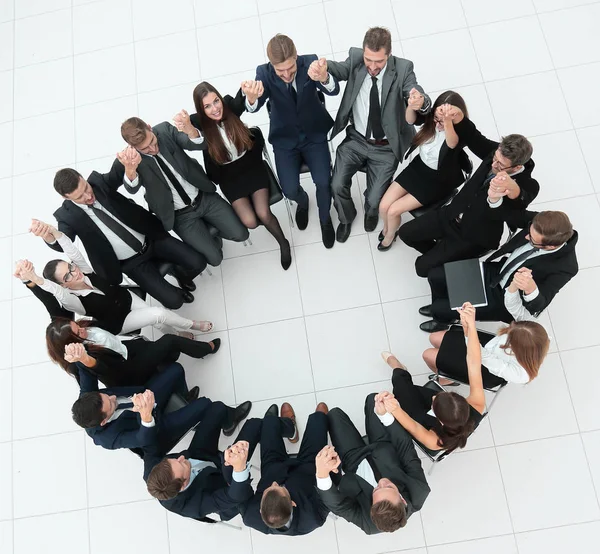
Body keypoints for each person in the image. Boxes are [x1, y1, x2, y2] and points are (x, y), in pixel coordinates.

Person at [309, 26, 431, 242]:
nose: (372, 67)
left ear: (389, 56)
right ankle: (347, 217)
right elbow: (336, 70)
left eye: (379, 62)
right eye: (369, 60)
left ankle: (371, 210)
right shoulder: (356, 57)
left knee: (375, 199)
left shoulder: (403, 69)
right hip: (356, 139)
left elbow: (415, 91)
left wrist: (420, 101)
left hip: (385, 146)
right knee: (336, 185)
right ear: (363, 52)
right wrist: (323, 74)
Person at [399, 110, 540, 280]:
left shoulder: (529, 184)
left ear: (516, 168)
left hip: (472, 235)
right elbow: (474, 136)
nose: (494, 164)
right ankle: (441, 253)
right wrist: (458, 117)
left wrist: (513, 188)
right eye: (494, 158)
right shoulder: (496, 153)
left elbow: (521, 200)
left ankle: (445, 257)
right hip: (451, 214)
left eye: (500, 165)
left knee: (421, 268)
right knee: (406, 233)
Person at [49, 163, 206, 309]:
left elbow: (117, 173)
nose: (88, 196)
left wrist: (127, 162)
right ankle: (174, 289)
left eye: (86, 188)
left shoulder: (98, 182)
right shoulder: (66, 216)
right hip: (132, 263)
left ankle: (180, 275)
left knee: (198, 262)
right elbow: (62, 241)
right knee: (174, 302)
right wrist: (49, 237)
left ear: (83, 178)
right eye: (79, 197)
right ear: (66, 197)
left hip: (151, 239)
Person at [19, 220, 212, 336]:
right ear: (63, 284)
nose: (74, 271)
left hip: (127, 299)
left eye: (70, 267)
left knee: (158, 320)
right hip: (119, 322)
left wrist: (54, 232)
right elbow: (57, 293)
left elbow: (73, 251)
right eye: (68, 275)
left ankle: (177, 334)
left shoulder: (84, 271)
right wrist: (35, 278)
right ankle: (192, 325)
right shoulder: (73, 301)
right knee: (158, 314)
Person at [180, 81, 291, 270]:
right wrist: (188, 129)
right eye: (207, 106)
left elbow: (245, 102)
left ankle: (283, 243)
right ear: (201, 109)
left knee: (264, 213)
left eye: (216, 101)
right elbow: (190, 136)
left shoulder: (229, 105)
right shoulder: (198, 122)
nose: (215, 109)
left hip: (250, 166)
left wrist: (251, 96)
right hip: (228, 176)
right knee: (250, 222)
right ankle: (268, 224)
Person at [244, 33, 339, 248]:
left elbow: (333, 91)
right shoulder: (264, 73)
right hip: (285, 139)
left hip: (314, 135)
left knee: (324, 182)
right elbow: (255, 105)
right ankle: (303, 202)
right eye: (280, 70)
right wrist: (251, 98)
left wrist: (324, 78)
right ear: (271, 65)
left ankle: (325, 219)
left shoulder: (311, 63)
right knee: (289, 189)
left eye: (290, 68)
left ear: (296, 56)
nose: (286, 74)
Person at [119, 115, 249, 267]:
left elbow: (197, 144)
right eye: (145, 148)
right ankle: (209, 238)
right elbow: (132, 188)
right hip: (181, 216)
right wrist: (130, 170)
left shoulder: (164, 130)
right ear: (133, 147)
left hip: (203, 197)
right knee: (215, 259)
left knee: (242, 234)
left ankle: (211, 230)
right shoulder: (131, 160)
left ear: (149, 127)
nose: (152, 149)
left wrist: (191, 131)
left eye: (152, 141)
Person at [421, 210, 578, 332]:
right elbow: (511, 213)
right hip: (497, 272)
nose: (526, 238)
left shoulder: (566, 267)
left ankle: (443, 318)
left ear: (550, 246)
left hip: (505, 297)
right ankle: (444, 307)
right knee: (435, 275)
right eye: (529, 232)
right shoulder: (541, 223)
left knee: (439, 309)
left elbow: (539, 304)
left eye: (532, 240)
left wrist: (531, 288)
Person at [71, 361, 252, 452]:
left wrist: (78, 355)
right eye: (111, 404)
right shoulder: (107, 439)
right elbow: (143, 440)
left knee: (176, 369)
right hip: (157, 427)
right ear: (103, 421)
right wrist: (146, 415)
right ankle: (228, 422)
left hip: (146, 397)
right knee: (205, 404)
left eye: (107, 395)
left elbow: (85, 370)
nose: (113, 397)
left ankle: (183, 398)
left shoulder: (88, 400)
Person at [316, 393, 430, 535]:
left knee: (334, 415)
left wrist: (322, 474)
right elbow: (405, 448)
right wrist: (385, 417)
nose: (381, 482)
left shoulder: (368, 524)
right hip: (382, 445)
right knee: (374, 399)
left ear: (371, 507)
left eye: (376, 490)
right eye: (389, 486)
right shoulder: (419, 490)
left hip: (354, 460)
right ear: (402, 499)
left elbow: (337, 506)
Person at [381, 302, 486, 453]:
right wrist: (469, 327)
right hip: (439, 413)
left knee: (402, 388)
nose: (434, 396)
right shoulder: (476, 404)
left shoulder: (436, 441)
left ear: (441, 422)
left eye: (434, 402)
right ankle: (401, 373)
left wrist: (395, 409)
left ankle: (399, 370)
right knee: (410, 390)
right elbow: (474, 362)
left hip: (421, 421)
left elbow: (414, 427)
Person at [377, 91, 471, 251]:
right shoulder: (432, 119)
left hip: (436, 181)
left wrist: (447, 121)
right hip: (418, 169)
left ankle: (389, 235)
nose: (438, 125)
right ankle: (388, 228)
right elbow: (410, 119)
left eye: (443, 121)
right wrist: (412, 105)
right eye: (436, 119)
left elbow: (452, 143)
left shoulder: (459, 132)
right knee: (383, 206)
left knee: (393, 211)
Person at [144, 405, 260, 522]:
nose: (182, 457)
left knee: (217, 409)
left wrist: (146, 417)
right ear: (183, 484)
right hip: (224, 485)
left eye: (175, 460)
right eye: (183, 464)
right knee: (254, 425)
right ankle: (271, 428)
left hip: (199, 455)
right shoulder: (194, 505)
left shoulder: (153, 471)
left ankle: (230, 422)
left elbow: (149, 447)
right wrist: (239, 469)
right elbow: (234, 497)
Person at [46, 318, 220, 388]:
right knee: (169, 340)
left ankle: (168, 361)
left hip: (127, 349)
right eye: (78, 333)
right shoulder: (82, 359)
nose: (83, 330)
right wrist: (85, 359)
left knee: (162, 349)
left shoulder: (84, 327)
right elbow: (107, 373)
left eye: (79, 327)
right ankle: (204, 350)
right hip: (126, 371)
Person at [241, 402, 330, 536]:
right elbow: (330, 495)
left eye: (269, 488)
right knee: (319, 420)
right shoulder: (313, 518)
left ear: (260, 510)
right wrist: (326, 470)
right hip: (310, 467)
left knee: (269, 422)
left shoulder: (249, 516)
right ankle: (318, 418)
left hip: (273, 466)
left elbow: (238, 490)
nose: (275, 483)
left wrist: (239, 468)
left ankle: (291, 429)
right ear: (292, 503)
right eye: (279, 488)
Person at [424, 319, 550, 387]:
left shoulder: (521, 374)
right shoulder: (535, 334)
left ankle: (447, 379)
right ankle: (447, 373)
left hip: (485, 368)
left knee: (428, 354)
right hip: (487, 346)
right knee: (434, 337)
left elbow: (482, 357)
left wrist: (469, 330)